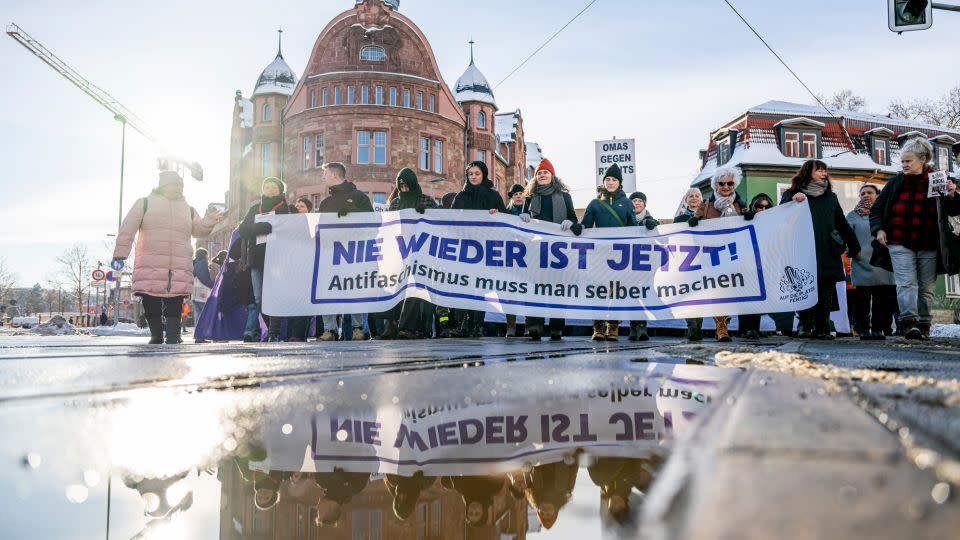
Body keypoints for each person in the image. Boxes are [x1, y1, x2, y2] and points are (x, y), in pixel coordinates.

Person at [113, 170, 222, 344]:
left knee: (176, 300)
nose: (179, 188)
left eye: (181, 185)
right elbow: (128, 228)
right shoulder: (145, 203)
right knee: (150, 299)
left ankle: (173, 335)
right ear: (163, 185)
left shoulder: (189, 209)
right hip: (151, 260)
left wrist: (209, 220)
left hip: (179, 261)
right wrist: (120, 253)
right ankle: (156, 335)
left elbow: (199, 231)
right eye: (175, 184)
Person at [871, 137, 960, 340]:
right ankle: (909, 323)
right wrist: (879, 230)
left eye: (908, 161)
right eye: (902, 161)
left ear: (922, 160)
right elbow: (877, 209)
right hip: (899, 241)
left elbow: (954, 210)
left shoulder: (938, 180)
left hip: (929, 242)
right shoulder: (895, 183)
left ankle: (925, 323)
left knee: (926, 287)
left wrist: (953, 194)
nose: (904, 165)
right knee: (906, 283)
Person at [782, 160, 861, 339]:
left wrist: (854, 245)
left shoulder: (830, 197)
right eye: (819, 170)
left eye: (825, 170)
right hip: (802, 248)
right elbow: (781, 217)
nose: (824, 173)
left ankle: (823, 327)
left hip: (828, 249)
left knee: (826, 290)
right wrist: (791, 200)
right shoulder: (793, 194)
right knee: (804, 287)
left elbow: (841, 222)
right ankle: (805, 326)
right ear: (807, 172)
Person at [686, 167, 751, 342]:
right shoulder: (706, 204)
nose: (726, 186)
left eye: (730, 183)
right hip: (712, 256)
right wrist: (693, 221)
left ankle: (724, 323)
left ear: (734, 184)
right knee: (717, 291)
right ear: (716, 185)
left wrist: (752, 217)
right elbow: (692, 225)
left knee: (731, 291)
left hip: (734, 254)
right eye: (721, 183)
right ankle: (721, 327)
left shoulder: (740, 204)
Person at [519, 158, 581, 340]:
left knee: (557, 288)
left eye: (545, 172)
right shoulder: (529, 197)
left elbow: (574, 220)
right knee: (534, 287)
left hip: (557, 251)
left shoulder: (564, 196)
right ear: (535, 177)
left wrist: (570, 222)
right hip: (535, 250)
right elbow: (524, 219)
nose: (542, 175)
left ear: (552, 176)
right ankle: (534, 326)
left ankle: (556, 327)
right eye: (539, 173)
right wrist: (522, 216)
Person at [377, 168, 439, 340]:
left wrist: (426, 214)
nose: (403, 188)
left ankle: (407, 327)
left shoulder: (426, 201)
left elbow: (439, 222)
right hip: (399, 251)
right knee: (393, 289)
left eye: (406, 184)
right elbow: (388, 226)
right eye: (401, 185)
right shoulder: (395, 203)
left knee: (413, 290)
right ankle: (390, 324)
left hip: (420, 252)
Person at [581, 164, 639, 341]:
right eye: (607, 179)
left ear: (619, 182)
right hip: (599, 255)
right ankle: (598, 327)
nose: (610, 182)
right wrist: (578, 227)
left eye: (614, 179)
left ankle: (613, 327)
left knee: (617, 292)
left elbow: (633, 228)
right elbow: (586, 226)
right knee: (598, 291)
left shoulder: (627, 203)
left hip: (620, 256)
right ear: (603, 182)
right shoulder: (595, 203)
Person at [317, 162, 373, 341]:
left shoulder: (358, 197)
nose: (323, 177)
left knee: (354, 287)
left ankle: (359, 329)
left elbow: (372, 222)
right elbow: (320, 228)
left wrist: (354, 212)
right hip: (330, 251)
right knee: (328, 288)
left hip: (353, 251)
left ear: (334, 175)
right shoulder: (325, 202)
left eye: (324, 173)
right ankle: (330, 330)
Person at [450, 161, 507, 338]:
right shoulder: (460, 196)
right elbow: (449, 220)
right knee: (464, 286)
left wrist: (496, 214)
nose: (473, 177)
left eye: (477, 173)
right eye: (470, 174)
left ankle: (476, 324)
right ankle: (463, 323)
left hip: (485, 249)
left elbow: (505, 220)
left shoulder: (493, 196)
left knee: (480, 287)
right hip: (464, 248)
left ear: (484, 175)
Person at [238, 177, 290, 342]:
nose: (269, 189)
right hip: (257, 258)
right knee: (259, 298)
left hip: (278, 258)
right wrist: (258, 228)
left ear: (280, 190)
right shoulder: (255, 209)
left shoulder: (286, 209)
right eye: (266, 187)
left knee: (275, 295)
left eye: (273, 187)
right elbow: (243, 229)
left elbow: (291, 229)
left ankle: (274, 333)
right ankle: (264, 330)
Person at [846, 184, 897, 340]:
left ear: (877, 195)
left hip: (882, 260)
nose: (866, 195)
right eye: (863, 193)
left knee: (881, 298)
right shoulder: (852, 215)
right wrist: (853, 251)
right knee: (862, 298)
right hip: (861, 260)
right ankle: (863, 329)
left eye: (870, 192)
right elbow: (847, 235)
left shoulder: (885, 213)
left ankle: (878, 329)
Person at [629, 190, 660, 341]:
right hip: (627, 265)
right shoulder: (626, 221)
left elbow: (662, 235)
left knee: (642, 295)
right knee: (633, 296)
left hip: (645, 265)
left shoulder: (651, 220)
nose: (637, 203)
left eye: (640, 201)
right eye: (634, 201)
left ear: (644, 204)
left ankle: (641, 328)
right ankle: (633, 329)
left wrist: (654, 226)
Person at [674, 188, 705, 340]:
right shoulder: (679, 219)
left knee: (702, 294)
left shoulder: (707, 216)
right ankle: (692, 325)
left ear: (701, 199)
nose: (693, 198)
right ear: (686, 200)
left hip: (705, 259)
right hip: (686, 261)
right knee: (689, 294)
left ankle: (699, 325)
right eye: (690, 196)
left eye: (697, 196)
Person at [287, 196, 317, 341]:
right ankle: (292, 333)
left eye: (302, 206)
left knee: (303, 300)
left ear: (309, 210)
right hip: (291, 267)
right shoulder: (288, 224)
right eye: (297, 205)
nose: (298, 207)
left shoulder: (312, 224)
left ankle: (298, 334)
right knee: (292, 300)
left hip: (306, 267)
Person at [502, 183, 527, 337]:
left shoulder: (531, 212)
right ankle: (510, 326)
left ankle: (527, 326)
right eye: (515, 194)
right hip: (509, 258)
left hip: (527, 259)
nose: (518, 196)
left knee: (526, 293)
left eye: (520, 193)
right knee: (509, 293)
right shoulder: (505, 213)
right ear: (511, 197)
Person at [192, 248, 215, 343]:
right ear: (204, 255)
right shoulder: (202, 263)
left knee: (198, 315)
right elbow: (204, 278)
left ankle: (198, 336)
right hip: (202, 293)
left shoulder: (195, 264)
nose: (208, 257)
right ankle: (200, 336)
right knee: (203, 315)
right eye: (207, 255)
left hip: (195, 293)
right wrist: (212, 283)